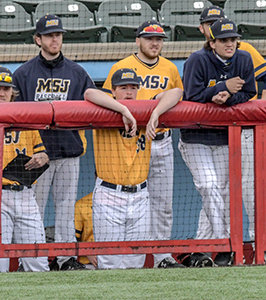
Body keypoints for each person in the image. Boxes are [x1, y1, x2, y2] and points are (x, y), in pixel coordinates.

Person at [12, 14, 96, 270]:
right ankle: (33, 259)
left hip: (68, 153)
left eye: (58, 35)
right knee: (33, 209)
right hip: (37, 156)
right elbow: (14, 117)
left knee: (65, 208)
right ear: (38, 39)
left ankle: (66, 257)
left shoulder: (77, 72)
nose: (55, 39)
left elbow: (93, 107)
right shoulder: (24, 73)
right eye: (49, 35)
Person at [101, 20, 184, 269]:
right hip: (131, 142)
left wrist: (156, 112)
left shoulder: (170, 68)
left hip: (161, 140)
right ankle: (120, 258)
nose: (154, 43)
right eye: (149, 38)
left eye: (159, 39)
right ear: (138, 40)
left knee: (163, 203)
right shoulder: (122, 66)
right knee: (130, 197)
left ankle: (161, 257)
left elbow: (177, 94)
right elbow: (105, 99)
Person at [85, 68, 181, 269]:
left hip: (140, 196)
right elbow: (89, 93)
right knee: (110, 263)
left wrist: (155, 113)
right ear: (113, 90)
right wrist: (124, 111)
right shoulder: (103, 107)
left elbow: (177, 92)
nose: (129, 92)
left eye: (133, 87)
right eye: (123, 87)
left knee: (135, 263)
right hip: (109, 194)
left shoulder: (146, 109)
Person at [180, 18, 256, 267]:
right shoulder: (197, 60)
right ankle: (226, 244)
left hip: (225, 137)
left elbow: (249, 92)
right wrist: (222, 87)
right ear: (212, 42)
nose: (229, 44)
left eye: (233, 39)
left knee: (221, 194)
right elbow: (191, 96)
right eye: (223, 40)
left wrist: (227, 98)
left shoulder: (244, 59)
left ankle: (202, 249)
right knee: (209, 186)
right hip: (195, 136)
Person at [196, 5, 264, 265]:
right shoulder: (200, 58)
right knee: (214, 191)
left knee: (248, 189)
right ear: (203, 29)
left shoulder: (246, 54)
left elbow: (259, 88)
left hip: (247, 131)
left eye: (218, 21)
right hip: (218, 136)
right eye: (209, 23)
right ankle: (205, 247)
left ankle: (259, 247)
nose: (213, 26)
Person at [0, 66, 49, 272]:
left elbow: (41, 152)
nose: (2, 93)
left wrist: (41, 157)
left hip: (25, 193)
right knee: (0, 263)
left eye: (6, 89)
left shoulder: (25, 118)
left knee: (38, 261)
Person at [74, 193, 97, 270]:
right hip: (88, 264)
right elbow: (72, 240)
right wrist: (86, 251)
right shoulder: (81, 204)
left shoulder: (127, 203)